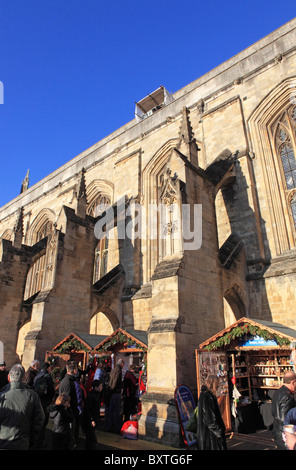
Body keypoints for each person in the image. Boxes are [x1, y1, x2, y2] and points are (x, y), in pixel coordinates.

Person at [0, 363, 45, 449]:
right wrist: (30, 439)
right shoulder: (32, 396)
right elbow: (39, 421)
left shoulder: (2, 396)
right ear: (23, 378)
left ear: (8, 377)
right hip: (22, 443)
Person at [196, 374, 227, 450]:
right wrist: (219, 432)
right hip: (210, 436)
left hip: (209, 433)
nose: (219, 385)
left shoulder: (207, 395)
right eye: (217, 383)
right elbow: (209, 419)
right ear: (213, 384)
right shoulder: (207, 397)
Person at [33, 361, 55, 448]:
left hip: (37, 401)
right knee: (43, 422)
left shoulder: (38, 375)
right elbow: (51, 391)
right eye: (50, 368)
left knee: (38, 421)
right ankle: (40, 442)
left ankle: (36, 441)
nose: (51, 369)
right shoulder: (47, 376)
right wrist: (50, 399)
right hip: (45, 402)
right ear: (47, 368)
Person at [272, 371, 296, 450]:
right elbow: (284, 418)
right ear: (293, 382)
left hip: (277, 430)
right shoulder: (287, 396)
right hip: (283, 434)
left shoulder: (278, 392)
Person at [59, 361, 80, 447]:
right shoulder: (68, 382)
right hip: (69, 412)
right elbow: (66, 399)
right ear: (74, 370)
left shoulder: (67, 380)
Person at [82, 379, 103, 449]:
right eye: (100, 386)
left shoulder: (97, 395)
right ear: (96, 387)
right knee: (92, 439)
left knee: (89, 439)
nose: (101, 387)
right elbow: (87, 409)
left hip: (93, 419)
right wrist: (91, 420)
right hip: (89, 421)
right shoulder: (91, 396)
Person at [105, 358, 124, 433]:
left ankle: (110, 425)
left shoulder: (114, 369)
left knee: (111, 410)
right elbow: (115, 381)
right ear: (122, 364)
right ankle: (115, 427)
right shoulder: (118, 370)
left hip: (112, 392)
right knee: (116, 410)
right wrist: (113, 389)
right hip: (115, 392)